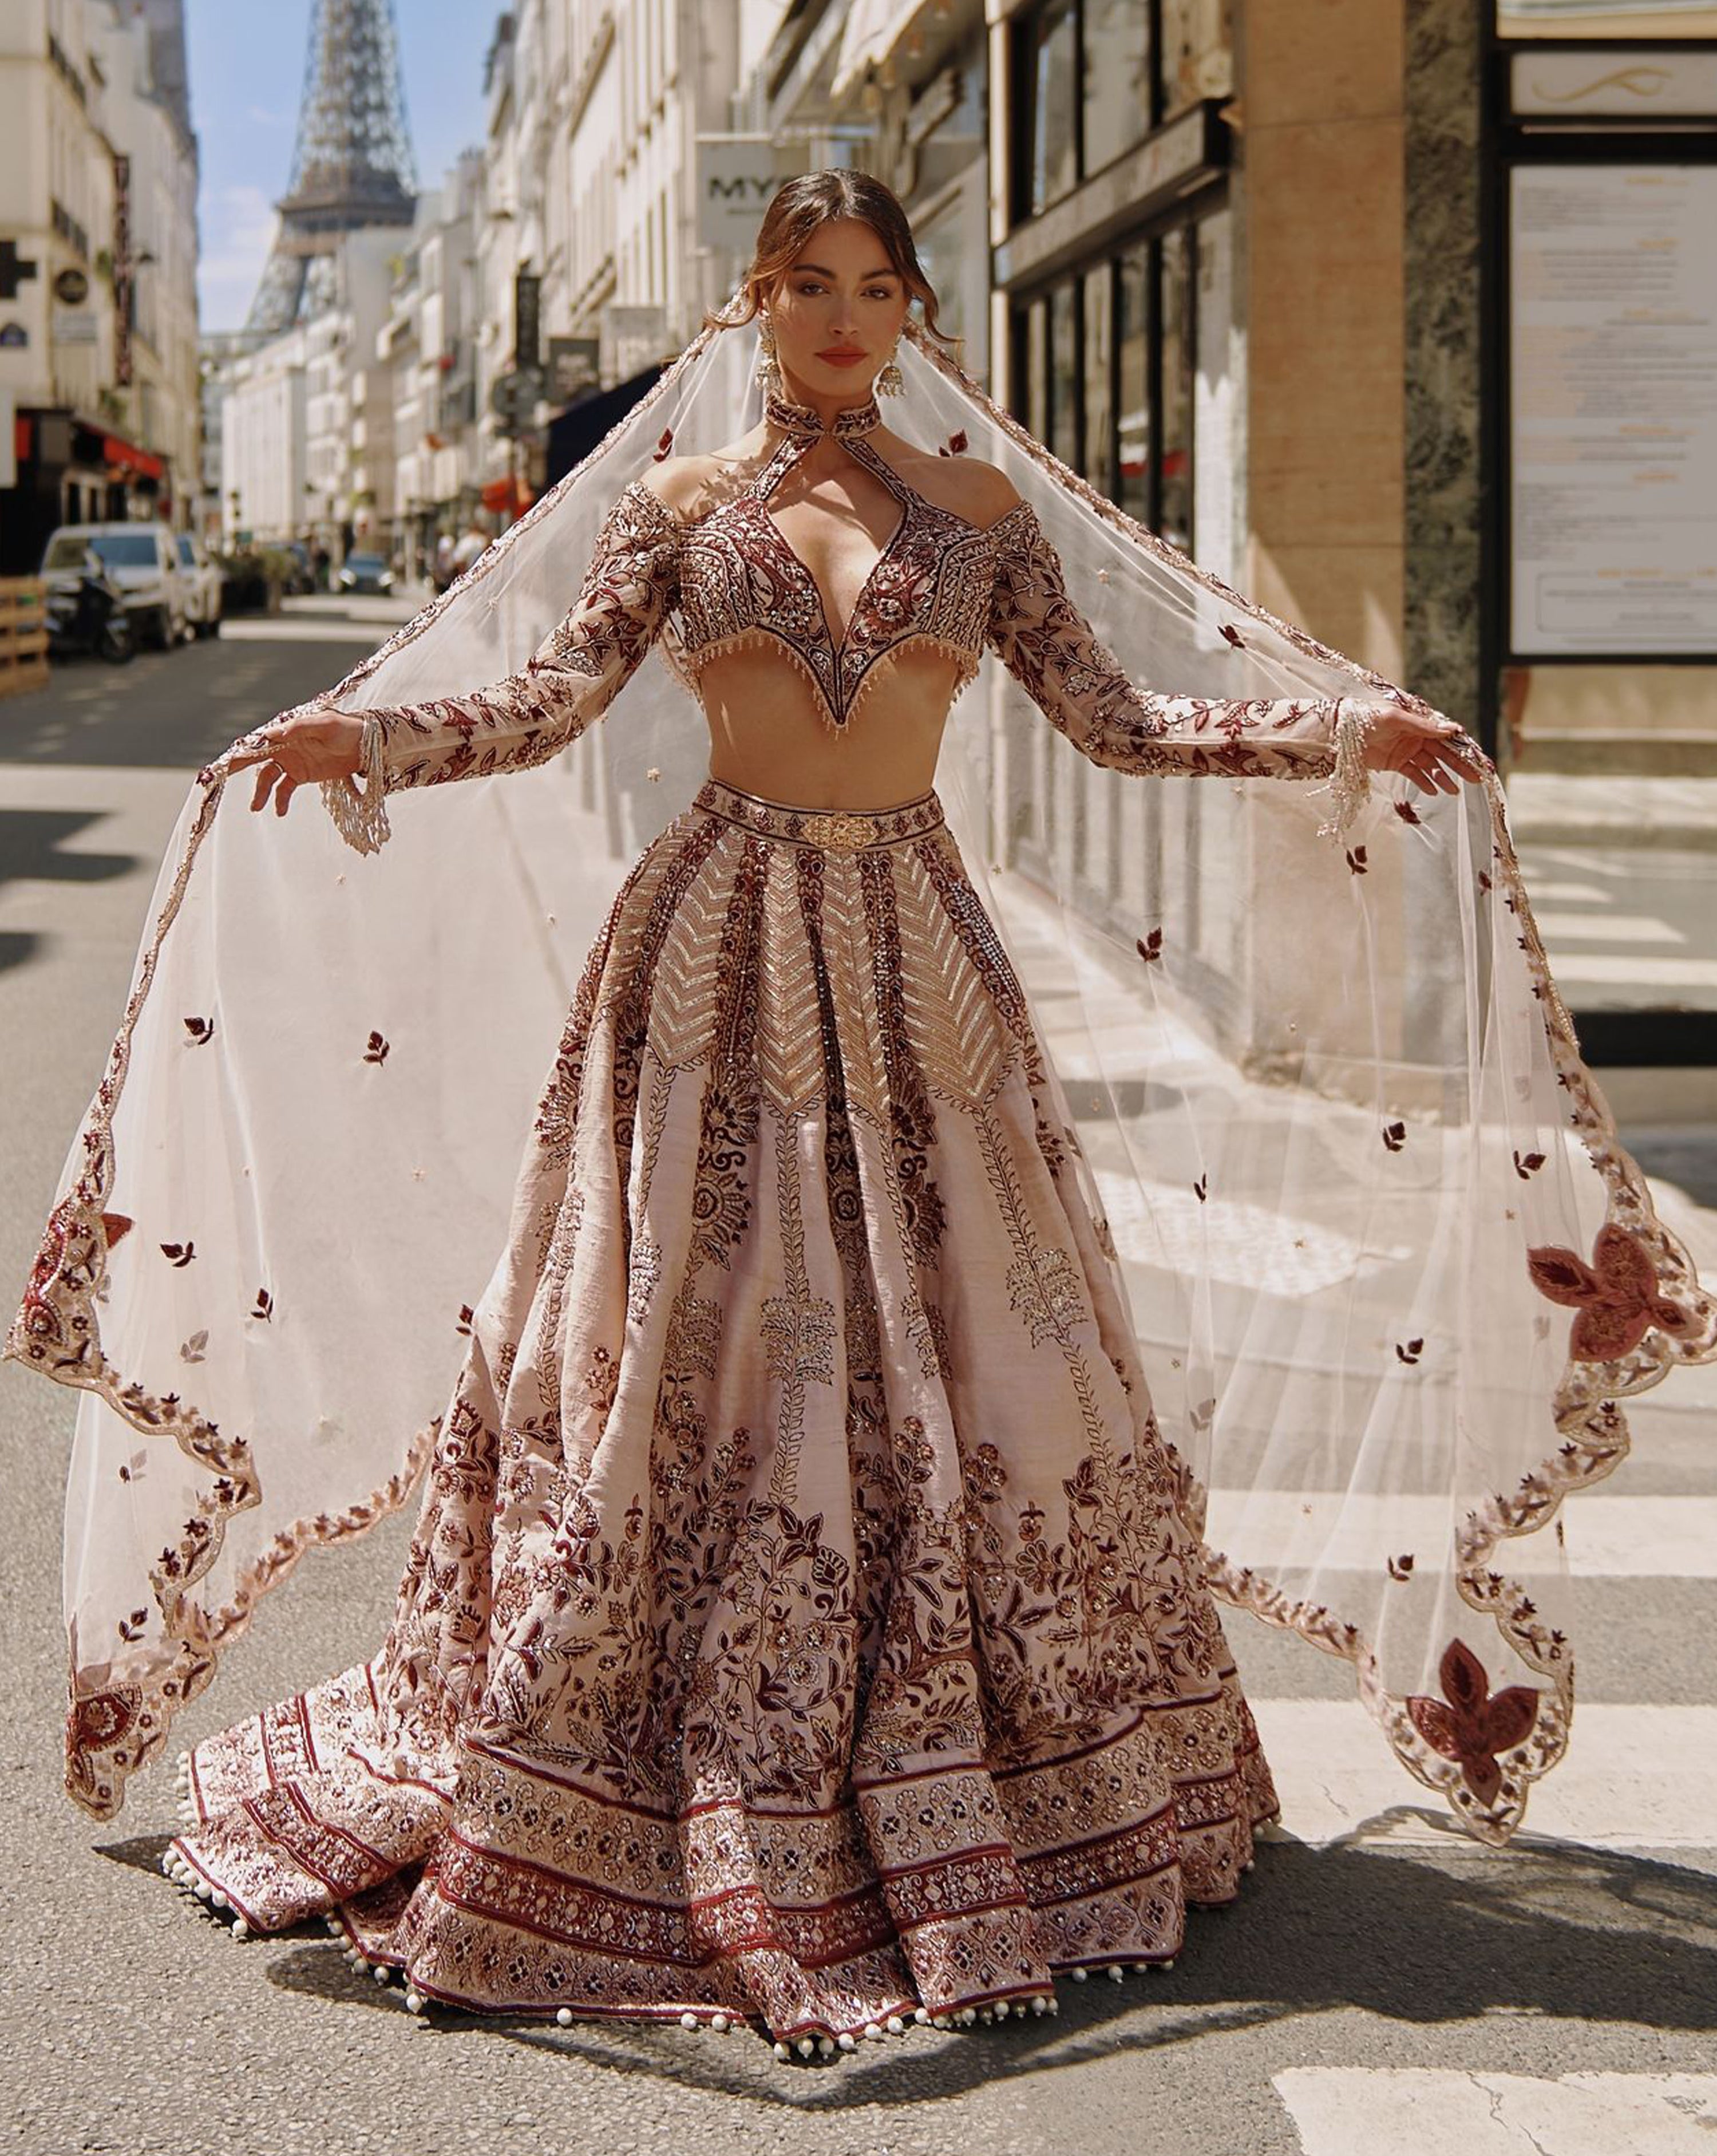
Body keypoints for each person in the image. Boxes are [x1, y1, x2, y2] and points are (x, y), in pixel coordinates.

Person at [7, 172, 1711, 2059]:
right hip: (706, 960)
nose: (840, 316)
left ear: (915, 310)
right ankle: (635, 1731)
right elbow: (554, 697)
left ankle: (1018, 1751)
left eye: (874, 286)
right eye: (807, 284)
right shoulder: (674, 508)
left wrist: (1333, 734)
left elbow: (1119, 718)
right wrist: (373, 740)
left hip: (918, 968)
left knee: (975, 1344)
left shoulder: (979, 514)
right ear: (753, 301)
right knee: (675, 1331)